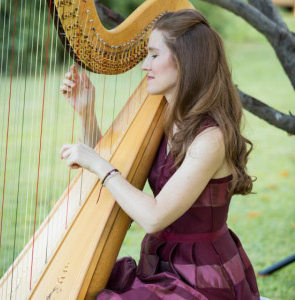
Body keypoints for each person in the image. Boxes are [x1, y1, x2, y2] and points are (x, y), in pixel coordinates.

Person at [60, 9, 260, 300]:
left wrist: (95, 163)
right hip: (161, 264)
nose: (144, 66)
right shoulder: (166, 118)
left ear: (185, 62)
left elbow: (153, 218)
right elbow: (122, 175)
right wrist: (86, 113)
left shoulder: (210, 138)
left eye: (154, 55)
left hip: (199, 276)